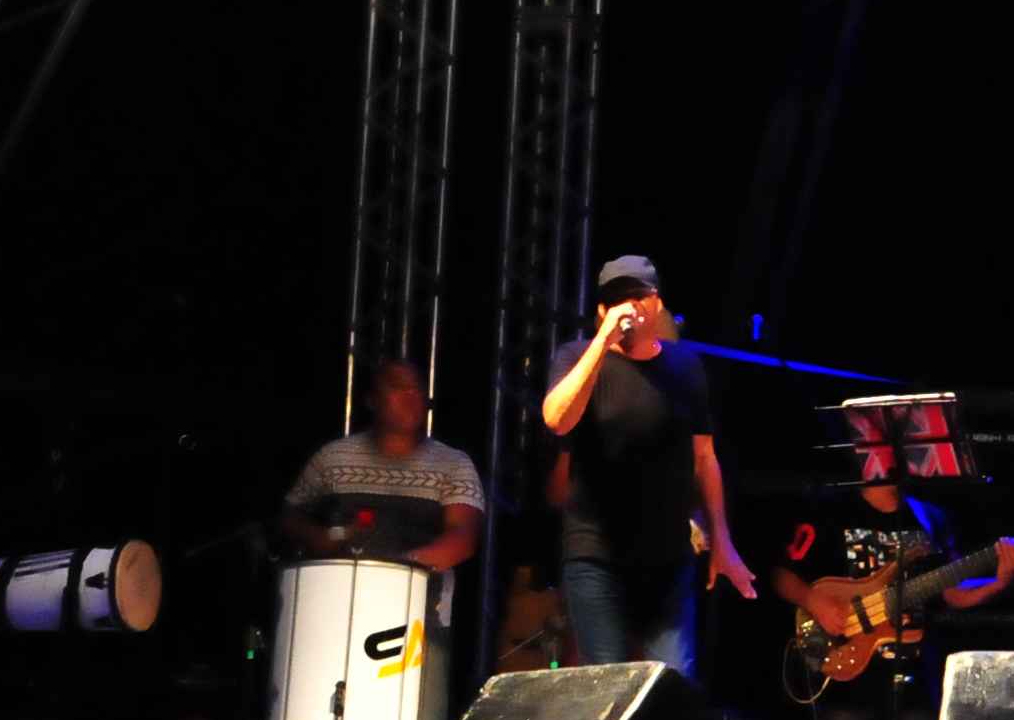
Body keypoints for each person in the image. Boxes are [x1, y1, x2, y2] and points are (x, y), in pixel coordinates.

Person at [777, 437, 1014, 720]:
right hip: (848, 677)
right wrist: (815, 602)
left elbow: (952, 593)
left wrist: (999, 582)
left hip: (914, 677)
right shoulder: (828, 511)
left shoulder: (930, 518)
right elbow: (781, 575)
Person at [538, 253, 753, 673]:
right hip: (596, 554)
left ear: (657, 305)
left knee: (673, 682)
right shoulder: (576, 356)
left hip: (667, 558)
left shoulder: (685, 366)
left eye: (639, 295)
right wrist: (602, 342)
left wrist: (722, 540)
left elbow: (704, 457)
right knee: (606, 684)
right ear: (602, 310)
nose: (629, 307)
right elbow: (557, 420)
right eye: (618, 298)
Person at [277, 357, 487, 585]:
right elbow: (290, 515)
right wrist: (323, 537)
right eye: (398, 386)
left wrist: (401, 567)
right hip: (335, 593)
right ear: (372, 399)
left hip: (418, 604)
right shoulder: (334, 457)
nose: (411, 396)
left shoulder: (453, 463)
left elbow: (463, 538)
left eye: (417, 388)